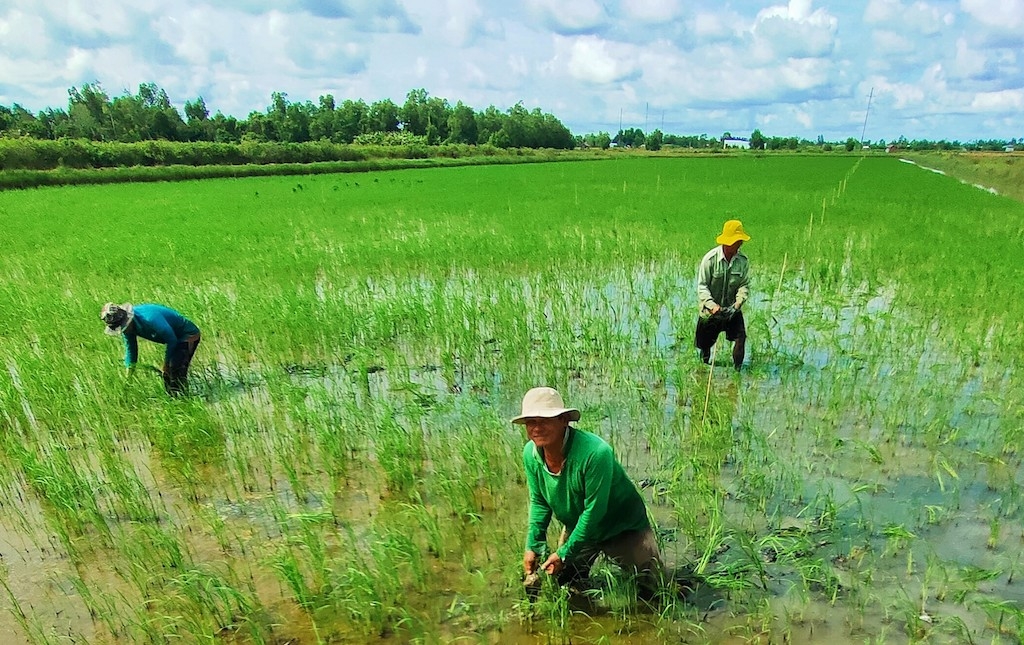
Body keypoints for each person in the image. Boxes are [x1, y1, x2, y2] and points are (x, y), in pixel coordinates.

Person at [515, 386, 665, 595]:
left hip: (621, 526)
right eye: (531, 422)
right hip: (578, 525)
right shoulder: (530, 454)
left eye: (544, 420)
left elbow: (594, 512)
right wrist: (533, 546)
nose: (536, 428)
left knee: (655, 591)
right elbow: (540, 501)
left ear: (563, 420)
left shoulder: (595, 453)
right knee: (566, 584)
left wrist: (564, 552)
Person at [101, 302, 201, 396]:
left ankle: (185, 399)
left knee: (175, 370)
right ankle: (174, 400)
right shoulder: (127, 329)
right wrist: (128, 378)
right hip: (174, 338)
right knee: (167, 377)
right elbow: (131, 351)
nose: (124, 330)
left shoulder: (150, 319)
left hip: (187, 335)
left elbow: (172, 340)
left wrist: (165, 365)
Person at [695, 219, 751, 370]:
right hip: (711, 309)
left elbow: (744, 285)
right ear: (728, 242)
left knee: (741, 337)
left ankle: (737, 371)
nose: (740, 244)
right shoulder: (710, 260)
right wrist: (712, 306)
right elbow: (702, 286)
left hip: (732, 308)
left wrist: (738, 302)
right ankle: (704, 369)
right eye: (737, 241)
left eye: (740, 241)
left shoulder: (743, 261)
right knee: (704, 344)